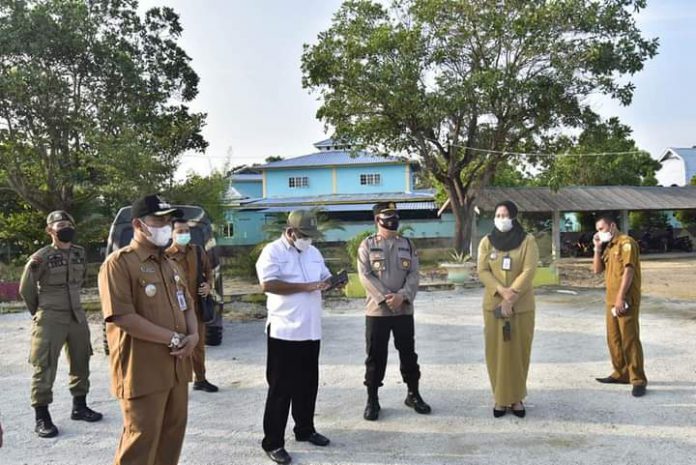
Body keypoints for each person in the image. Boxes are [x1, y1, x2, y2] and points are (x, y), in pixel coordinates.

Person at [98, 194, 198, 465]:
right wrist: (174, 338)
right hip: (142, 371)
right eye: (158, 219)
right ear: (139, 225)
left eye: (168, 220)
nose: (165, 225)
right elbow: (123, 317)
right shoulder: (119, 264)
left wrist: (193, 336)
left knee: (172, 436)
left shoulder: (169, 263)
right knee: (141, 440)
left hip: (176, 369)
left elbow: (187, 304)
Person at [255, 210, 333, 465]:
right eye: (304, 236)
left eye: (311, 236)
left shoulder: (313, 253)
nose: (308, 240)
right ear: (290, 232)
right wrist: (305, 287)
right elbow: (268, 284)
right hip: (284, 332)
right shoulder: (273, 252)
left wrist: (332, 282)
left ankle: (305, 429)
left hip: (311, 330)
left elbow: (324, 276)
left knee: (308, 384)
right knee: (281, 389)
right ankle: (273, 442)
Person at [19, 210, 102, 438]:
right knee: (44, 366)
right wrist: (41, 312)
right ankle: (42, 417)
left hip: (77, 316)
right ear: (49, 231)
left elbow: (80, 279)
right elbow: (26, 289)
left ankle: (80, 406)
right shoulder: (40, 257)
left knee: (81, 359)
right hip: (50, 317)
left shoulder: (79, 253)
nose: (65, 227)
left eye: (68, 223)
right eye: (60, 224)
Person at [357, 202, 430, 421]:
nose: (392, 221)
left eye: (395, 217)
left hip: (403, 310)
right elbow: (365, 275)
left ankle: (413, 394)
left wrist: (402, 296)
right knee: (375, 356)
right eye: (387, 217)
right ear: (377, 220)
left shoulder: (407, 244)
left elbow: (414, 274)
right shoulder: (367, 245)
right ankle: (372, 399)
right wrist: (385, 298)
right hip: (377, 311)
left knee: (408, 353)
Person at [477, 200, 538, 418]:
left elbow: (529, 270)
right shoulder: (487, 242)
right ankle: (500, 399)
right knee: (496, 353)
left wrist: (511, 296)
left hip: (521, 307)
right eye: (498, 215)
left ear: (513, 216)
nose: (501, 219)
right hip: (494, 305)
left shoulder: (527, 241)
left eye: (505, 215)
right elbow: (482, 270)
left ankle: (517, 398)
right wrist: (502, 292)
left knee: (519, 353)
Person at [592, 214, 647, 397]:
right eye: (598, 230)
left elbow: (629, 271)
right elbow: (597, 270)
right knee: (614, 339)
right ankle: (620, 373)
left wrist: (621, 297)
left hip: (625, 299)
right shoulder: (609, 246)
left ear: (612, 226)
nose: (599, 232)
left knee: (629, 339)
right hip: (611, 300)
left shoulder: (626, 243)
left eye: (602, 229)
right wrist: (597, 248)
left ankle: (637, 379)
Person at [166, 219, 218, 393]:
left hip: (196, 307)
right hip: (176, 309)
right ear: (171, 234)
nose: (183, 234)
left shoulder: (197, 251)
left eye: (186, 230)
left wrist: (208, 285)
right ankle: (178, 384)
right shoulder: (165, 255)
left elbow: (209, 271)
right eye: (179, 231)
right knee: (178, 345)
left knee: (198, 345)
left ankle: (200, 379)